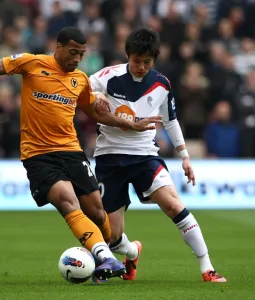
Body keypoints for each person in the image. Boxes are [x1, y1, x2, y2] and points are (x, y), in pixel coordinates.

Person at [0, 26, 162, 282]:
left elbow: (95, 113)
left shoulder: (81, 80)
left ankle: (128, 252)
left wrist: (130, 124)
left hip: (72, 152)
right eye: (73, 52)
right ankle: (105, 257)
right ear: (59, 47)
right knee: (67, 201)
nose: (76, 59)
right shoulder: (32, 64)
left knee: (98, 213)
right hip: (38, 155)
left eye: (81, 54)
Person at [90, 28, 227, 283]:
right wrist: (95, 96)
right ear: (127, 55)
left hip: (145, 156)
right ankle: (131, 252)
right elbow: (81, 92)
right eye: (136, 61)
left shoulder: (162, 84)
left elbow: (171, 121)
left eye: (147, 62)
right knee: (112, 236)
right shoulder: (107, 76)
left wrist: (184, 155)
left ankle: (207, 268)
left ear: (155, 60)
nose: (141, 67)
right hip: (110, 158)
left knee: (174, 205)